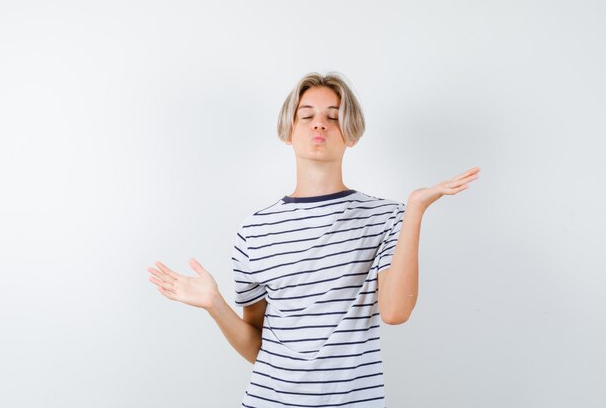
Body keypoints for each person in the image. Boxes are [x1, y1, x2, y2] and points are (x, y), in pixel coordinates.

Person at [147, 71, 480, 407]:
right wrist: (215, 305)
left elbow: (395, 312)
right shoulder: (255, 231)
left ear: (350, 134)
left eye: (333, 117)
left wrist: (416, 209)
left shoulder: (387, 218)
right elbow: (258, 347)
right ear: (288, 131)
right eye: (307, 116)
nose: (319, 124)